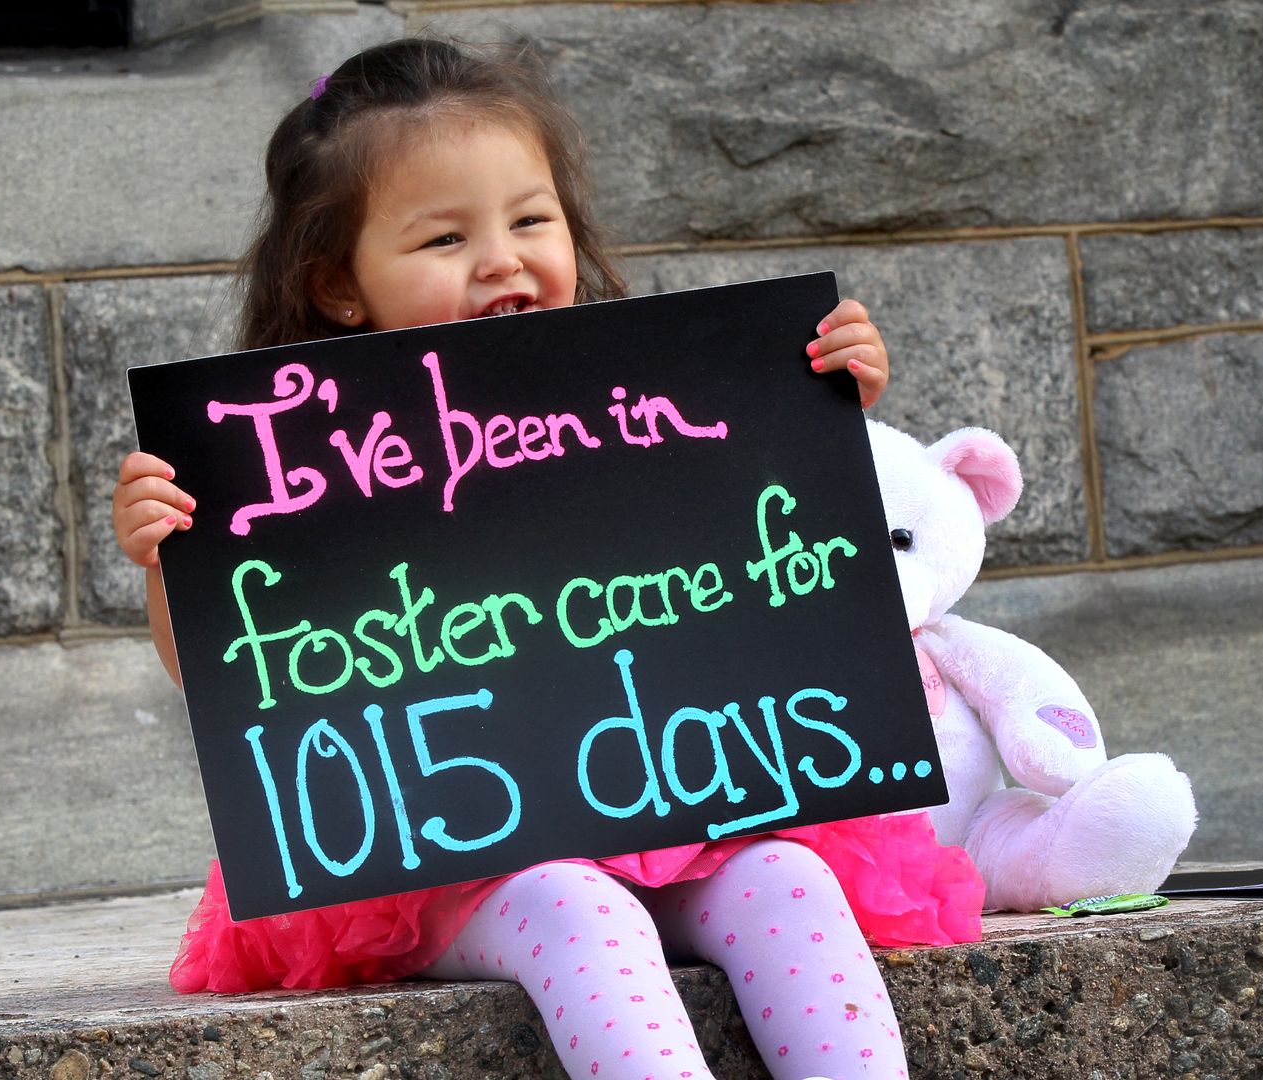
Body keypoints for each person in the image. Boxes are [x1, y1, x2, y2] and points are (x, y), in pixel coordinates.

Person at [111, 37, 981, 1080]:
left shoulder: (646, 400)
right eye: (444, 237)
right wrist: (170, 561)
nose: (502, 258)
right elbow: (243, 668)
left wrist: (817, 415)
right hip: (457, 863)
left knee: (793, 880)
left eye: (532, 220)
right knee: (577, 904)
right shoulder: (296, 471)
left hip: (686, 810)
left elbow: (763, 566)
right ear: (339, 287)